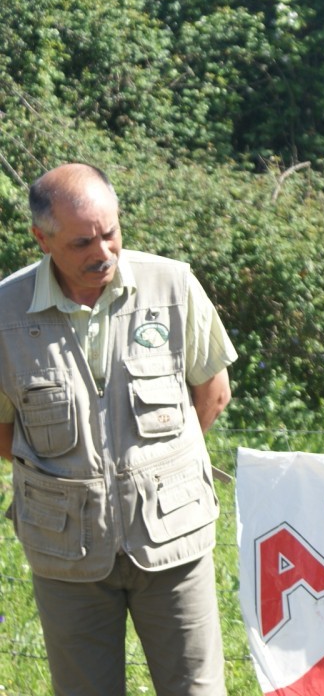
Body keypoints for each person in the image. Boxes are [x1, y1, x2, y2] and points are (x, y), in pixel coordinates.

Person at [0, 163, 236, 695]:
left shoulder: (172, 285)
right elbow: (3, 429)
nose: (102, 252)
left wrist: (155, 467)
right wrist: (72, 477)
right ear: (41, 239)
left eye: (110, 233)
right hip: (67, 553)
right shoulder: (6, 312)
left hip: (172, 539)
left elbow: (213, 392)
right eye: (82, 242)